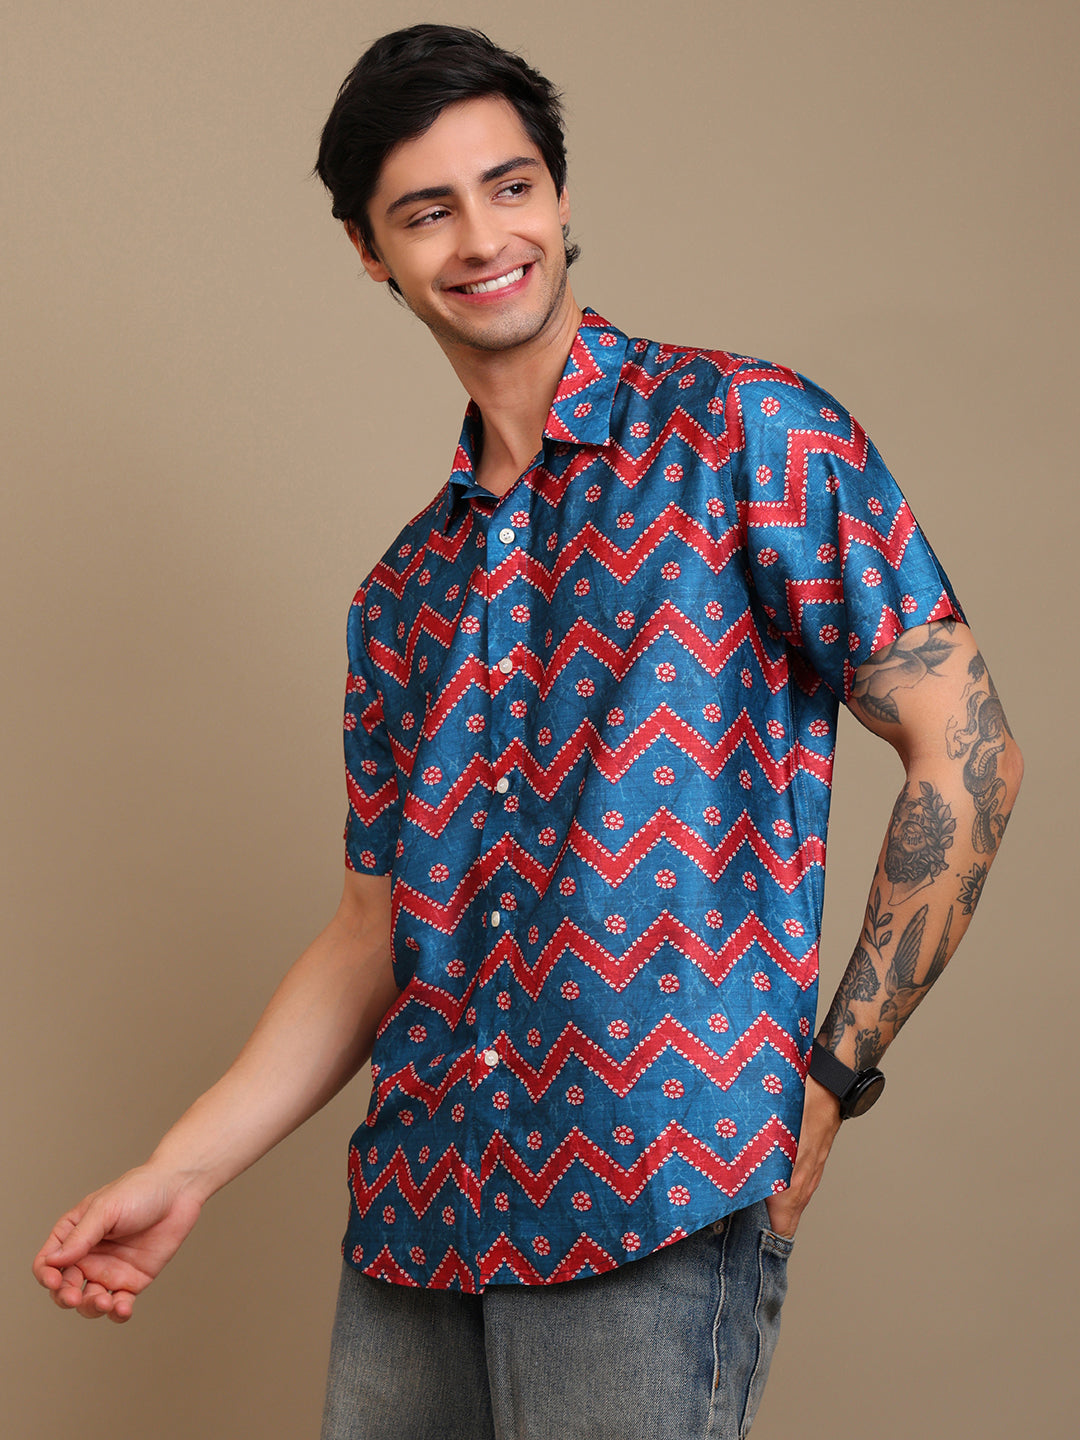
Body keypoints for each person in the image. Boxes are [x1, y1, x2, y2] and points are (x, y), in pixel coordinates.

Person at [33, 23, 1023, 1439]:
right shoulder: (403, 596)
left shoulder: (747, 435)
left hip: (654, 1191)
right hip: (420, 1216)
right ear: (370, 253)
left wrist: (831, 1072)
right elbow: (375, 928)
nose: (483, 235)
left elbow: (968, 752)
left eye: (511, 187)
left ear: (561, 202)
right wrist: (181, 1170)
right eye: (427, 210)